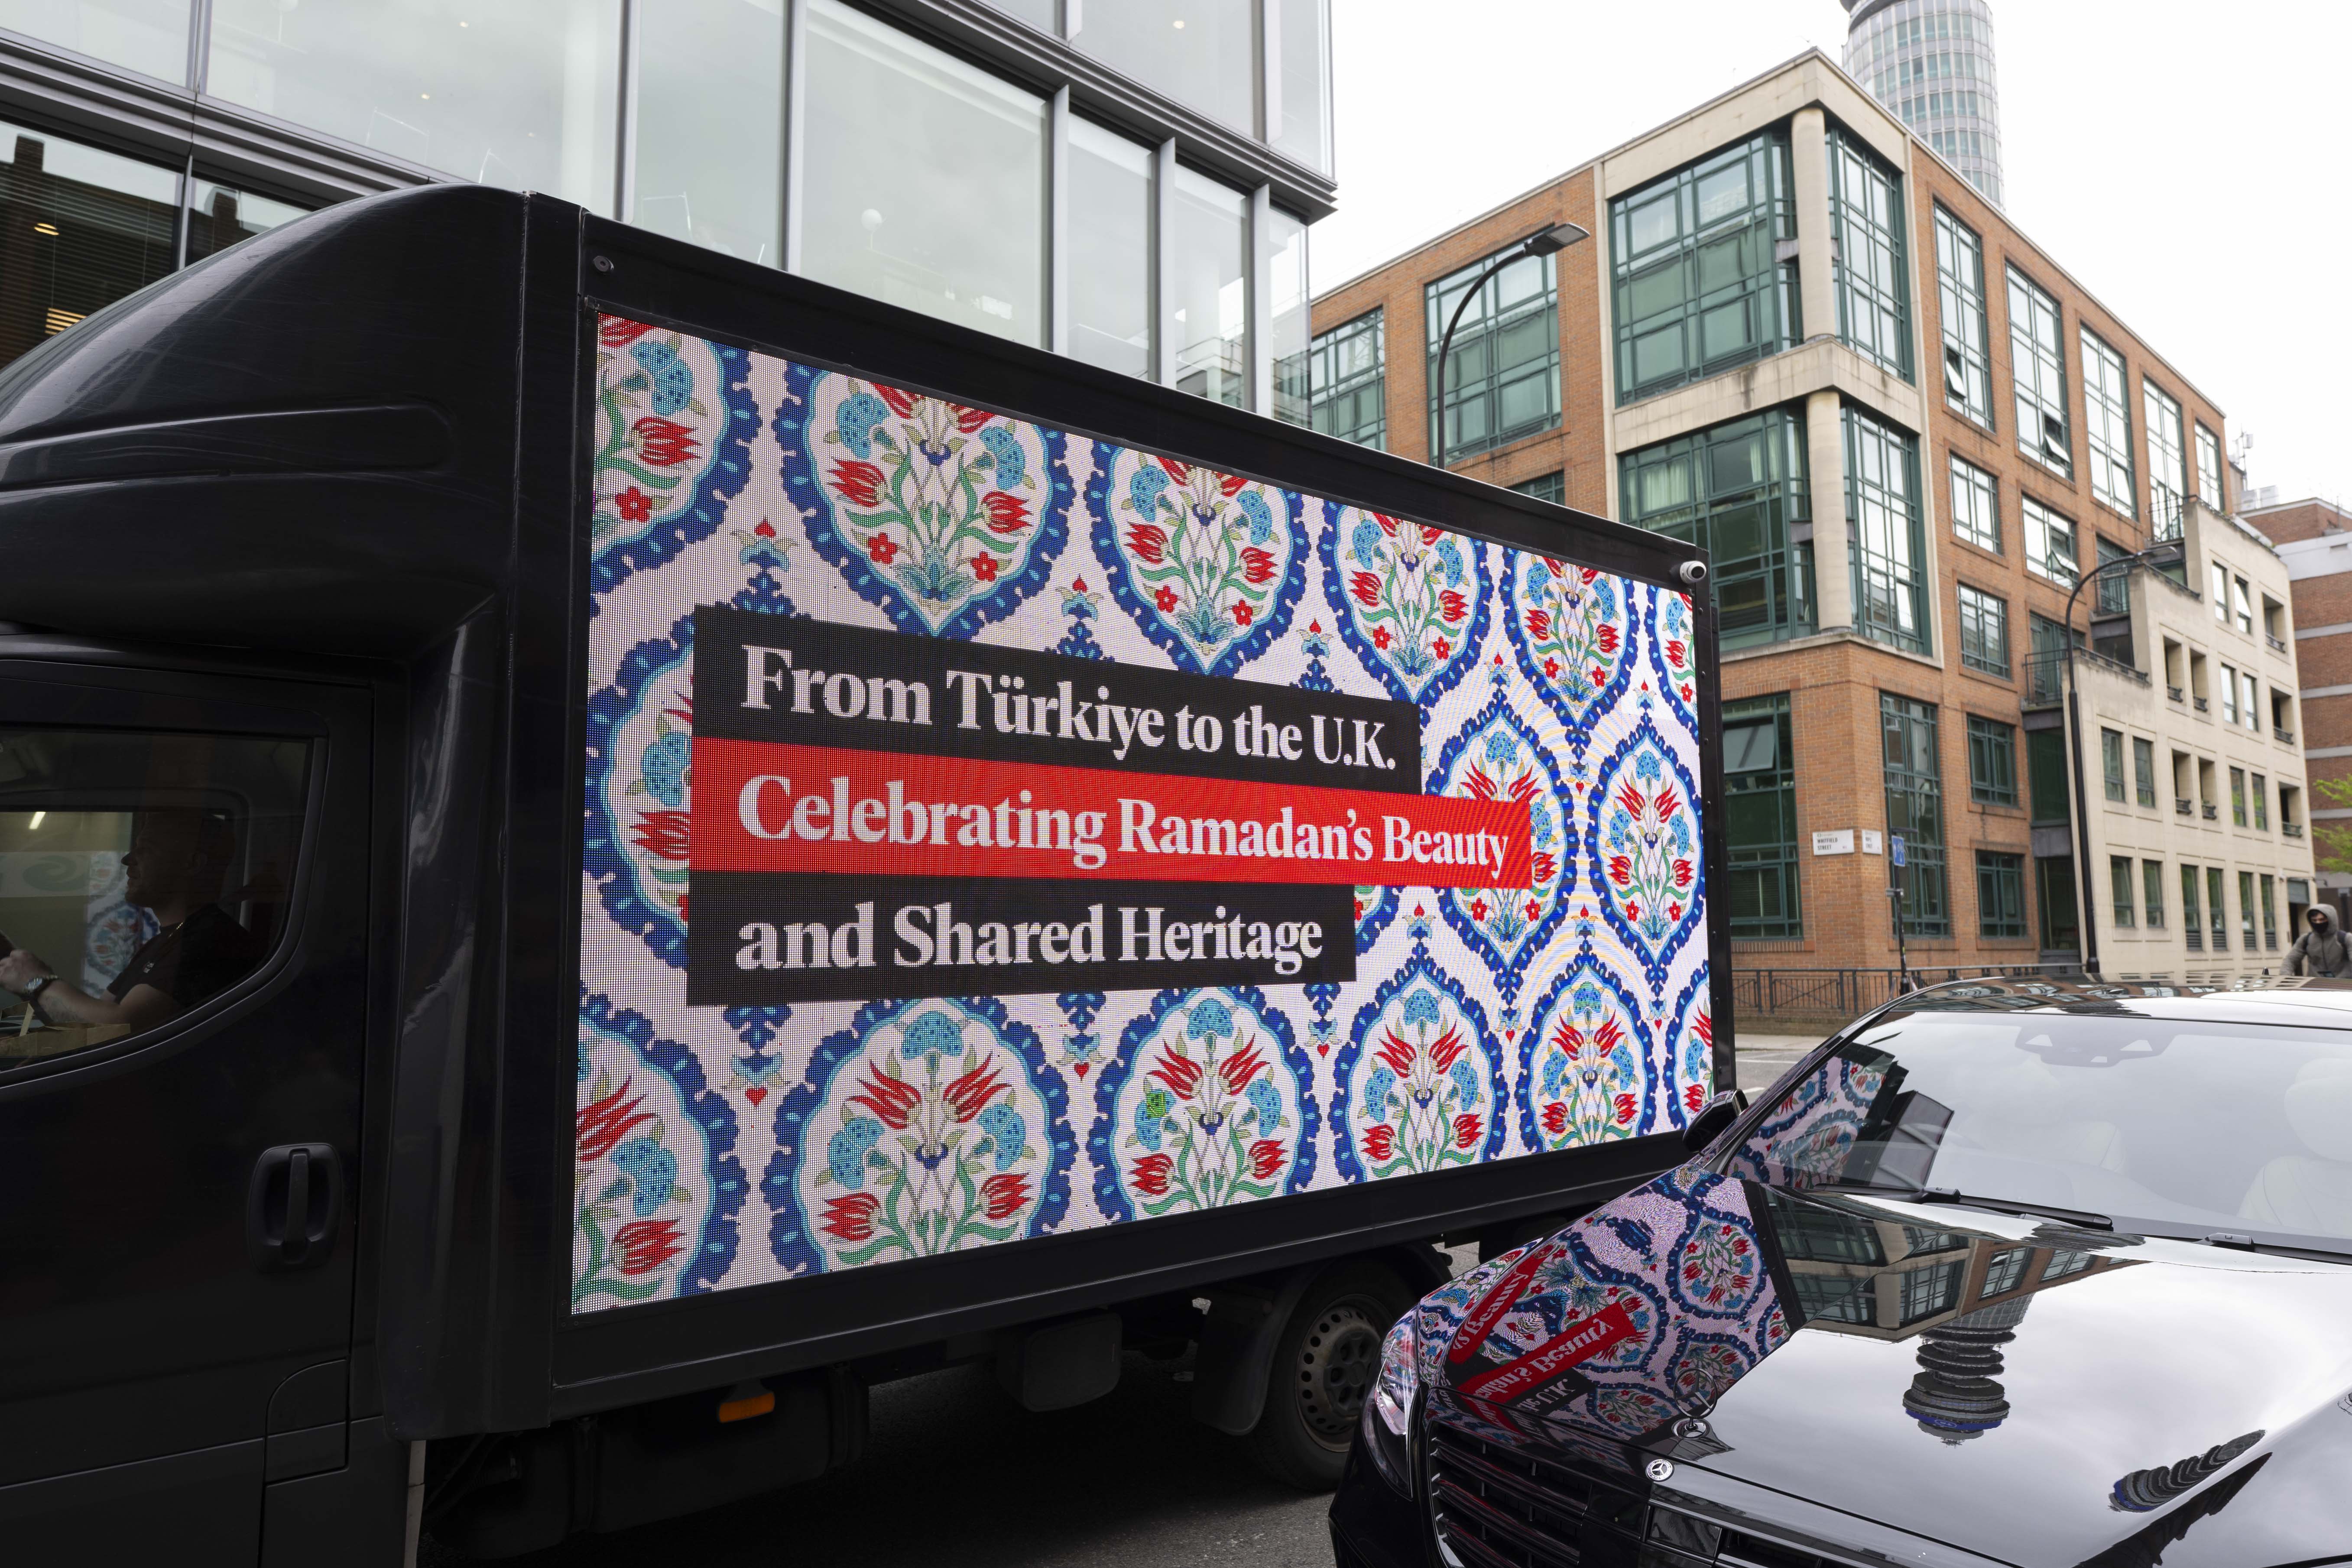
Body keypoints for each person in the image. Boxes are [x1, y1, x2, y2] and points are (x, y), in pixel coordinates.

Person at [0, 809, 264, 1033]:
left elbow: (117, 1030)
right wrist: (13, 963)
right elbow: (88, 1018)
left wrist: (36, 981)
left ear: (191, 864)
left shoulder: (212, 942)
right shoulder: (167, 941)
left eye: (146, 849)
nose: (128, 859)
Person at [2287, 904, 2352, 979]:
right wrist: (2284, 980)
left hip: (2342, 984)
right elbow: (2290, 960)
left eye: (2322, 920)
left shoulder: (2346, 938)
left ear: (2331, 920)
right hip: (2316, 984)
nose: (2318, 923)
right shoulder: (2306, 939)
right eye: (2314, 920)